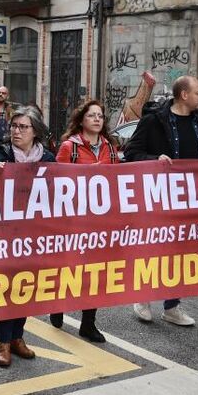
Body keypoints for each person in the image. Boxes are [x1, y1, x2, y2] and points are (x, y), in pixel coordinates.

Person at [125, 75, 198, 327]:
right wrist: (155, 159)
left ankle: (172, 305)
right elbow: (131, 153)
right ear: (184, 95)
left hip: (189, 200)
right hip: (159, 198)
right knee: (155, 248)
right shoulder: (154, 121)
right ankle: (142, 296)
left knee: (180, 253)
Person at [0, 106, 55, 366]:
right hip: (5, 233)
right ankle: (3, 343)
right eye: (13, 126)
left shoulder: (47, 158)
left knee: (26, 285)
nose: (16, 131)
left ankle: (17, 337)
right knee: (8, 286)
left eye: (22, 127)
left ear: (35, 131)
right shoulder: (0, 153)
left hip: (34, 233)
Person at [49, 99, 120, 343]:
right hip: (72, 220)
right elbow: (56, 181)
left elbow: (118, 180)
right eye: (92, 115)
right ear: (82, 120)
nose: (97, 119)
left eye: (100, 115)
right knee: (68, 268)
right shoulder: (70, 147)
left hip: (99, 221)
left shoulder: (111, 147)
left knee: (95, 273)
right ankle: (58, 304)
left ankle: (88, 323)